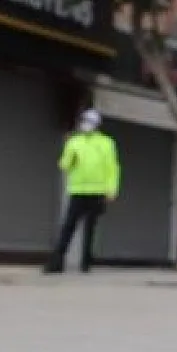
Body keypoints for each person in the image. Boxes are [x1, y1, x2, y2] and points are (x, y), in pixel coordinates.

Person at [44, 109, 120, 275]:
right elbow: (64, 165)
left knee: (90, 228)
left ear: (97, 125)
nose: (86, 125)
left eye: (90, 122)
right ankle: (57, 262)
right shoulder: (74, 142)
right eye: (85, 121)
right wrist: (68, 155)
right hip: (78, 191)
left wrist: (111, 190)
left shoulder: (107, 143)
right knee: (68, 226)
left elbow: (112, 168)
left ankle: (86, 262)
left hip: (97, 191)